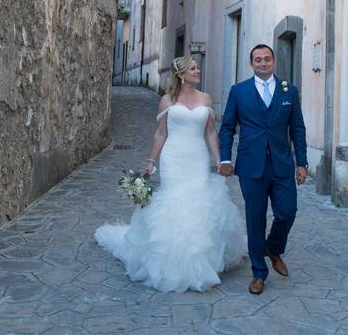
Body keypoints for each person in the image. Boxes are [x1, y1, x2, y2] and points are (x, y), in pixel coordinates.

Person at [94, 56, 245, 292]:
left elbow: (210, 133)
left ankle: (199, 260)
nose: (198, 71)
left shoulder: (206, 98)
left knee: (197, 204)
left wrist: (218, 159)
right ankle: (171, 263)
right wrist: (151, 161)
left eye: (197, 67)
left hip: (197, 158)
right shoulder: (167, 100)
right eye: (193, 68)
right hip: (174, 158)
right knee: (175, 202)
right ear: (181, 75)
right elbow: (160, 133)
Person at [218, 43, 308, 295]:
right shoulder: (239, 91)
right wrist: (225, 158)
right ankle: (259, 273)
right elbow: (227, 127)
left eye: (267, 59)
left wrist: (302, 162)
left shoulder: (289, 91)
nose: (263, 63)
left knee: (287, 211)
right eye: (258, 60)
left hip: (281, 164)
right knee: (255, 218)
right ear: (251, 64)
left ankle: (273, 248)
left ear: (274, 62)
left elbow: (297, 128)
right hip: (250, 166)